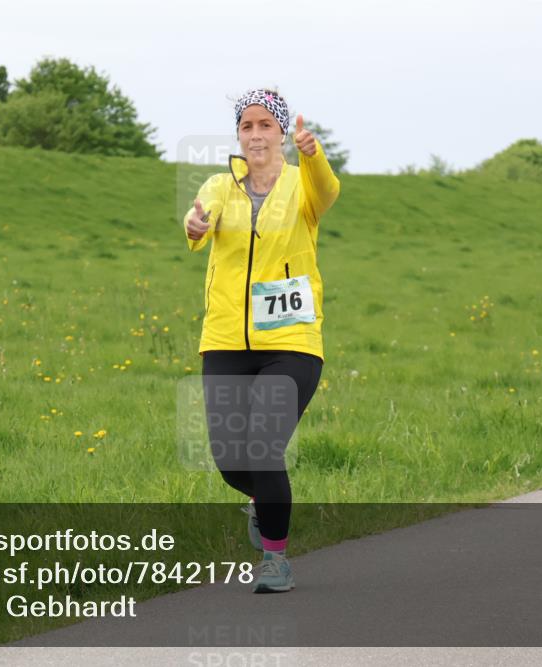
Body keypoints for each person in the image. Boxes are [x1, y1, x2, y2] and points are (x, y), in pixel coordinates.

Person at [183, 88, 341, 593]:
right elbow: (199, 220)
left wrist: (314, 155)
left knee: (264, 448)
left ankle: (275, 560)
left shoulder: (302, 185)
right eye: (246, 126)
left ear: (281, 133)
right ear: (238, 134)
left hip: (291, 340)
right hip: (226, 340)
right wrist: (194, 224)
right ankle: (263, 501)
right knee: (231, 461)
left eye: (265, 125)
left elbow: (328, 191)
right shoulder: (219, 185)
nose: (255, 135)